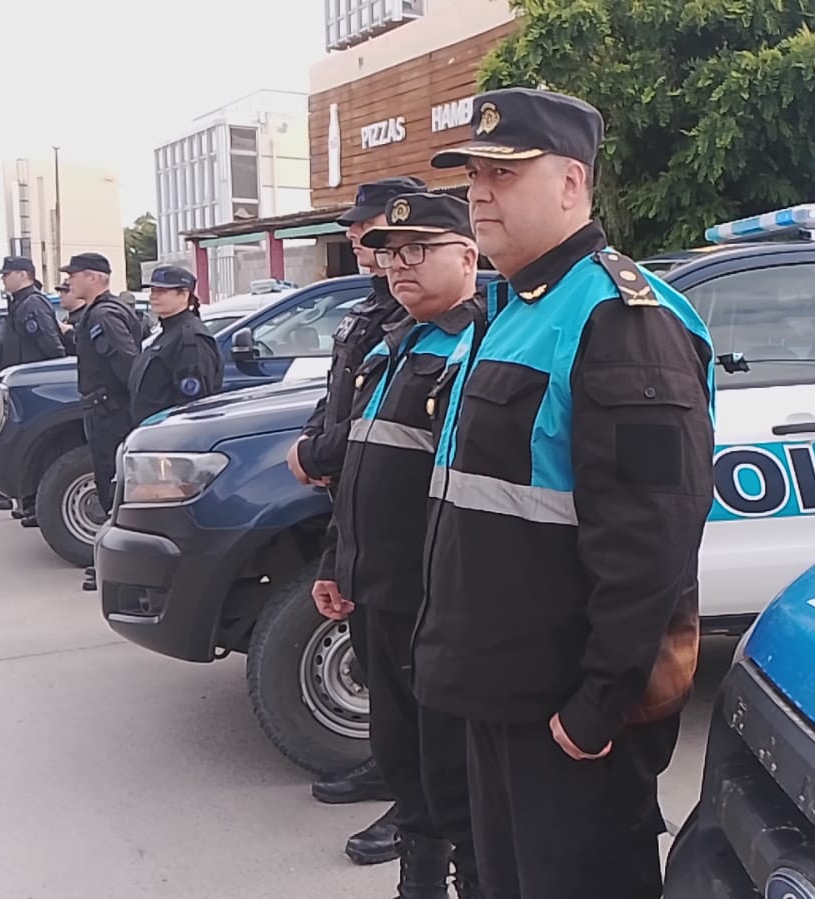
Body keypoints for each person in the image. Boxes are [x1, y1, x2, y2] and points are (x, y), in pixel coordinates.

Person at [420, 88, 716, 899]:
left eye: (504, 173)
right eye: (474, 174)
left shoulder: (620, 321)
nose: (479, 192)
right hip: (499, 694)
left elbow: (649, 539)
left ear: (571, 183)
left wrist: (596, 707)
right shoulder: (512, 310)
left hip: (565, 720)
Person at [316, 192, 482, 898]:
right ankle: (417, 883)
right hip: (376, 591)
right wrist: (335, 560)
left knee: (450, 768)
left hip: (431, 599)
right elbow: (359, 465)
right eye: (390, 252)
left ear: (467, 256)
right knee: (400, 751)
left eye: (418, 249)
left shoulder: (477, 346)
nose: (398, 265)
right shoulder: (398, 342)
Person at [289, 175, 428, 865]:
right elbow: (340, 395)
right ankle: (388, 764)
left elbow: (388, 422)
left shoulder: (426, 318)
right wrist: (315, 443)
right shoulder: (374, 309)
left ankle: (417, 807)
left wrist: (318, 452)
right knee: (378, 666)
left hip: (399, 518)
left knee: (409, 677)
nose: (355, 235)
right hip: (355, 502)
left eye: (367, 225)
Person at [65, 252, 142, 591]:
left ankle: (121, 568)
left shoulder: (104, 316)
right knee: (111, 485)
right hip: (105, 410)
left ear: (93, 277)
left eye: (75, 275)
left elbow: (127, 364)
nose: (69, 281)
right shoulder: (97, 312)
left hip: (110, 412)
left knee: (114, 488)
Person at [0, 256, 67, 514]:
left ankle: (34, 503)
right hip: (23, 382)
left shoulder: (31, 303)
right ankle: (28, 502)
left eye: (7, 274)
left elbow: (49, 342)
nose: (3, 279)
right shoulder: (19, 303)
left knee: (36, 445)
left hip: (36, 385)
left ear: (23, 274)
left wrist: (54, 371)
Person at [127, 265, 222, 425]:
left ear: (184, 295)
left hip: (171, 432)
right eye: (152, 291)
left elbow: (194, 404)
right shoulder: (165, 334)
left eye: (162, 291)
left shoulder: (191, 339)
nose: (153, 296)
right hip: (151, 430)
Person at [58, 280, 86, 357]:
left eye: (65, 292)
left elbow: (84, 345)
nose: (60, 296)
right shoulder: (67, 318)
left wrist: (68, 332)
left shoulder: (86, 317)